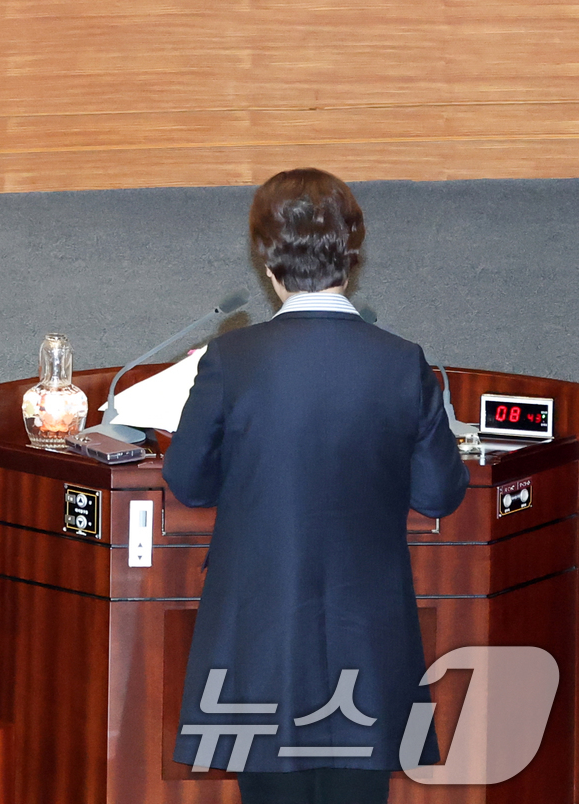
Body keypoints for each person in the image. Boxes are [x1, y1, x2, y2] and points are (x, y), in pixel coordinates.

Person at [163, 168, 469, 802]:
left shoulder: (231, 360)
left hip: (261, 645)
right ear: (352, 259)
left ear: (267, 263)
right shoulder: (402, 362)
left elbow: (188, 482)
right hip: (369, 650)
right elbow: (439, 494)